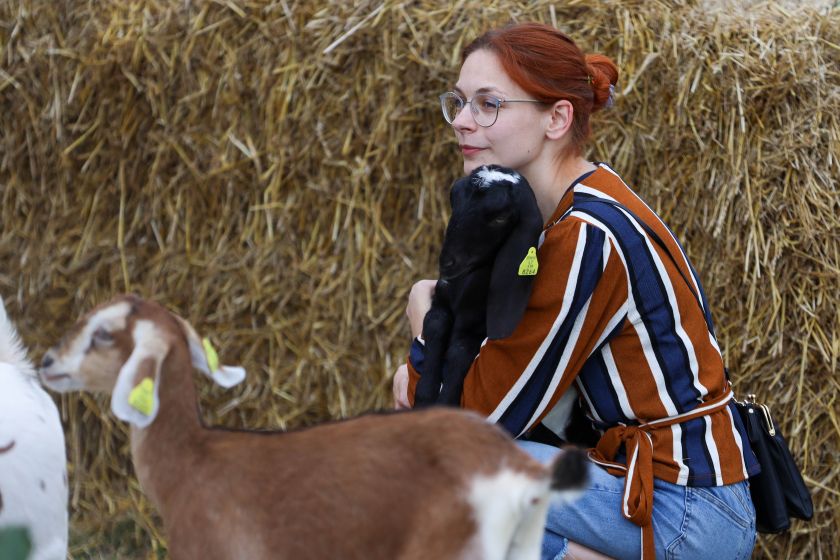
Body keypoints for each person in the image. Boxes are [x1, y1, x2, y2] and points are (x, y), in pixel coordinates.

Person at [392, 22, 759, 560]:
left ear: (557, 118)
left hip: (685, 512)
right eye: (460, 102)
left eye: (489, 104)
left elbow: (481, 421)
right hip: (650, 489)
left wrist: (425, 316)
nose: (463, 122)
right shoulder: (578, 204)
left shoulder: (586, 236)